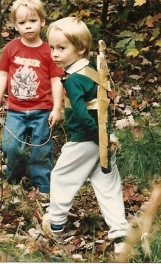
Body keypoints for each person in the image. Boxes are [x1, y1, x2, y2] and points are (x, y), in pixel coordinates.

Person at [42, 17, 128, 254]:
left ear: (80, 48)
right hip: (100, 137)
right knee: (107, 183)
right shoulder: (91, 71)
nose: (55, 53)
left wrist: (100, 136)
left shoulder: (73, 80)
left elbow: (81, 114)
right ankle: (120, 232)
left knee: (60, 176)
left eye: (61, 48)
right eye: (52, 48)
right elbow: (102, 106)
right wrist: (108, 134)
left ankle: (56, 222)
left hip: (84, 139)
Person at [0, 0, 64, 197]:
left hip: (42, 110)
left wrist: (57, 108)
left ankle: (43, 186)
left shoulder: (49, 51)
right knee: (11, 147)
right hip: (16, 110)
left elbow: (56, 80)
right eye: (22, 22)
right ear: (15, 25)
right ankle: (14, 178)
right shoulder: (11, 48)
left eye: (33, 21)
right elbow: (3, 74)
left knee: (41, 150)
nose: (28, 26)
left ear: (42, 21)